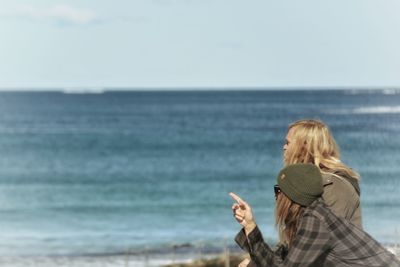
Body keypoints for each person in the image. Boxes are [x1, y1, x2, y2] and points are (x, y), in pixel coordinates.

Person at [230, 164, 400, 267]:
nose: (276, 196)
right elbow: (282, 262)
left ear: (292, 197)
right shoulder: (314, 214)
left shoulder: (315, 221)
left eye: (279, 190)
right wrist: (249, 224)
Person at [284, 119, 362, 228]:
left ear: (305, 146)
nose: (284, 148)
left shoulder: (335, 186)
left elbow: (326, 236)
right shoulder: (300, 184)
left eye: (288, 143)